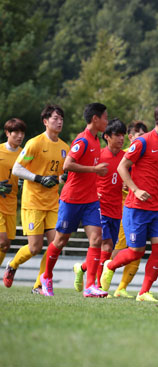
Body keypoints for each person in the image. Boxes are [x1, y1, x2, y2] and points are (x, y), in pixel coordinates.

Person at [101, 102, 158, 302]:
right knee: (135, 252)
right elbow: (122, 167)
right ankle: (110, 265)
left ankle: (144, 292)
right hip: (136, 208)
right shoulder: (142, 142)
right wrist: (135, 189)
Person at [39, 103, 109, 297]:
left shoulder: (97, 140)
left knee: (97, 239)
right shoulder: (83, 140)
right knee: (60, 241)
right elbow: (67, 164)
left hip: (91, 200)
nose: (107, 121)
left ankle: (90, 286)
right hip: (71, 199)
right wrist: (94, 170)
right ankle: (47, 276)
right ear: (95, 119)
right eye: (105, 117)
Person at [3, 106, 68, 292]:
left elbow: (62, 175)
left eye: (61, 118)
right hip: (33, 203)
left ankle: (40, 284)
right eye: (55, 118)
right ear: (45, 121)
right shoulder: (35, 144)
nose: (59, 121)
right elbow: (17, 169)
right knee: (34, 248)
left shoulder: (65, 148)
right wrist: (38, 178)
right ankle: (12, 265)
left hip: (53, 203)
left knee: (56, 244)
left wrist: (63, 179)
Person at [72, 118, 127, 293]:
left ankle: (82, 268)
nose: (121, 138)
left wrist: (127, 184)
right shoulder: (99, 156)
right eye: (117, 135)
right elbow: (86, 176)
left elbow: (126, 177)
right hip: (99, 206)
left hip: (116, 208)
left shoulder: (126, 157)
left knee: (109, 248)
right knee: (105, 246)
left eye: (123, 135)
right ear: (107, 137)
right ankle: (97, 286)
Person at [111, 121, 148, 298]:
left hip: (141, 210)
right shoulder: (123, 155)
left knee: (138, 250)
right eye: (139, 136)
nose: (143, 140)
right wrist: (124, 185)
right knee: (117, 248)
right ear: (131, 137)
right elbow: (111, 177)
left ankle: (121, 288)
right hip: (121, 209)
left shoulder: (147, 155)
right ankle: (98, 280)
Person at [0, 119, 26, 269]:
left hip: (11, 205)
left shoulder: (25, 154)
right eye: (16, 132)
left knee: (5, 246)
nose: (19, 136)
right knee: (2, 241)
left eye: (22, 132)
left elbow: (28, 171)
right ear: (7, 133)